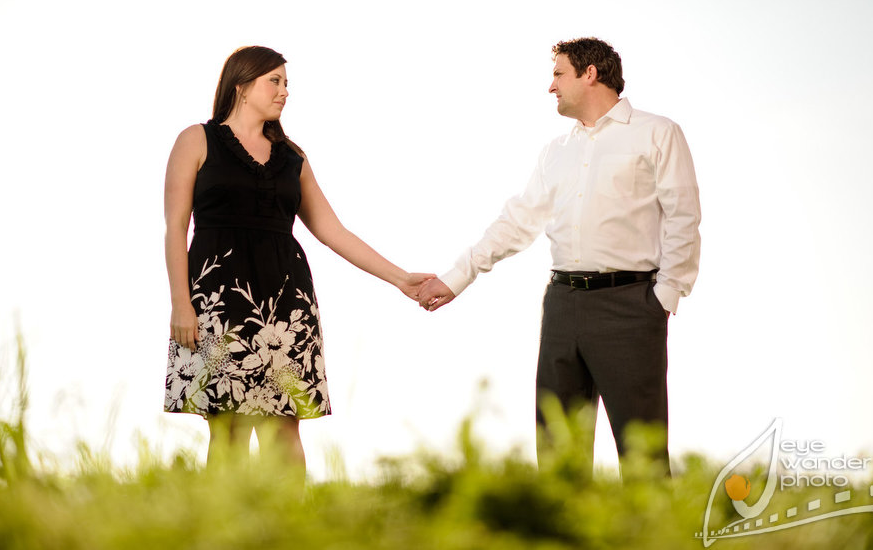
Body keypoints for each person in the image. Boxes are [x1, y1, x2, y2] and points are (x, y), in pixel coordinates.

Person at [416, 37, 701, 472]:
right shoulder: (556, 152)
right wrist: (457, 277)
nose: (551, 87)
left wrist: (665, 297)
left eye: (558, 74)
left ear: (590, 74)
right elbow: (517, 221)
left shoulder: (657, 132)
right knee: (556, 451)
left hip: (631, 306)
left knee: (642, 452)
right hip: (562, 305)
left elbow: (683, 217)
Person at [164, 45, 432, 469]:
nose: (284, 91)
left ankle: (289, 530)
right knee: (227, 424)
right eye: (275, 81)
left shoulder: (293, 156)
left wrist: (400, 278)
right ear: (242, 85)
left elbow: (332, 230)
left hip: (287, 302)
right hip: (217, 300)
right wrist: (181, 302)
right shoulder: (196, 139)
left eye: (286, 83)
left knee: (284, 425)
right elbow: (176, 227)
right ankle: (222, 533)